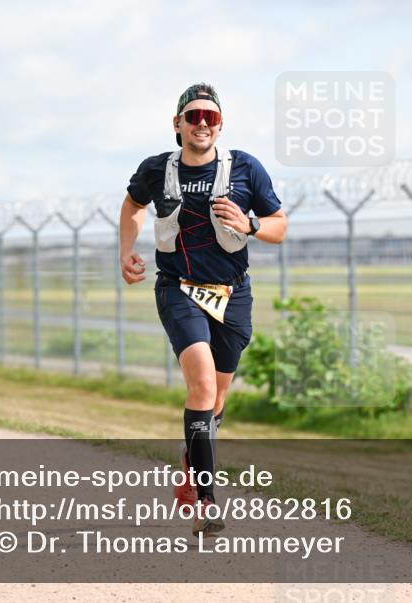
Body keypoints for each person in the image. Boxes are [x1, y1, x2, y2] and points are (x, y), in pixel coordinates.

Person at [118, 83, 287, 537]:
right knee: (203, 385)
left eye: (210, 117)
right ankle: (207, 501)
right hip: (179, 289)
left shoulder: (245, 167)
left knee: (215, 403)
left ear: (220, 125)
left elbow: (279, 226)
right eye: (192, 116)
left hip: (233, 294)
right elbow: (133, 204)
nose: (201, 124)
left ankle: (191, 459)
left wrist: (250, 224)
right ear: (177, 124)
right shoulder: (157, 169)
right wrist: (126, 250)